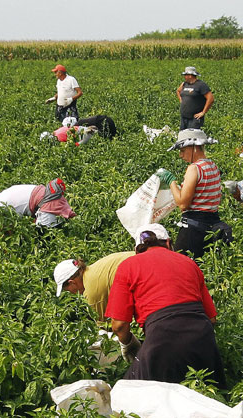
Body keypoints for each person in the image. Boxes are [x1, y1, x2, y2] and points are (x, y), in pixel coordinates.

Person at [105, 223, 225, 387]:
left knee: (130, 393)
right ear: (168, 243)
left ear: (137, 249)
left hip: (161, 337)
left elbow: (119, 326)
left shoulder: (128, 266)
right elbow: (211, 318)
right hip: (202, 336)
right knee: (212, 398)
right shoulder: (189, 262)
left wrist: (128, 345)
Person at [156, 129, 231, 259]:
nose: (180, 155)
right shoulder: (212, 165)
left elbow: (183, 203)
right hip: (211, 225)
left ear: (193, 147)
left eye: (183, 150)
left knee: (180, 266)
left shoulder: (194, 168)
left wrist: (171, 181)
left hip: (194, 230)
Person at [53, 252, 135, 319]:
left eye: (68, 290)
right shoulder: (95, 268)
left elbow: (107, 326)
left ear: (72, 282)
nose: (72, 293)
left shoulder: (91, 292)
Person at [0, 178, 76, 228]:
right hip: (50, 198)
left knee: (43, 238)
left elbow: (7, 232)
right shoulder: (0, 197)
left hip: (48, 204)